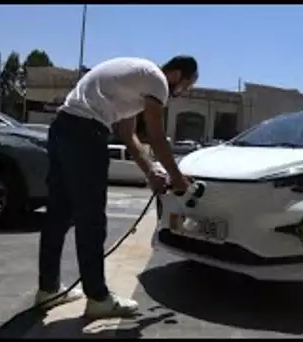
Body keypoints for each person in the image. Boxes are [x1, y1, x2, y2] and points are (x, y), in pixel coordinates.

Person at [35, 55, 198, 318]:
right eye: (187, 86)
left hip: (62, 128)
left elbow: (127, 135)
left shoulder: (135, 80)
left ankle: (48, 288)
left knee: (59, 214)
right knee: (91, 220)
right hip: (86, 134)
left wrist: (151, 171)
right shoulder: (158, 81)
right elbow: (156, 137)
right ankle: (98, 297)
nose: (182, 92)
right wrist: (178, 179)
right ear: (177, 75)